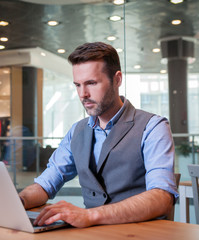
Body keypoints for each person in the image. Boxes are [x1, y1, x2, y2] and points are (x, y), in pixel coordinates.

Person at [19, 42, 178, 228]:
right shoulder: (76, 131)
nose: (82, 94)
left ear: (117, 79)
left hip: (139, 233)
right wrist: (18, 201)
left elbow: (162, 197)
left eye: (91, 83)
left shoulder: (153, 127)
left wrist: (89, 216)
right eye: (77, 85)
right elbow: (46, 183)